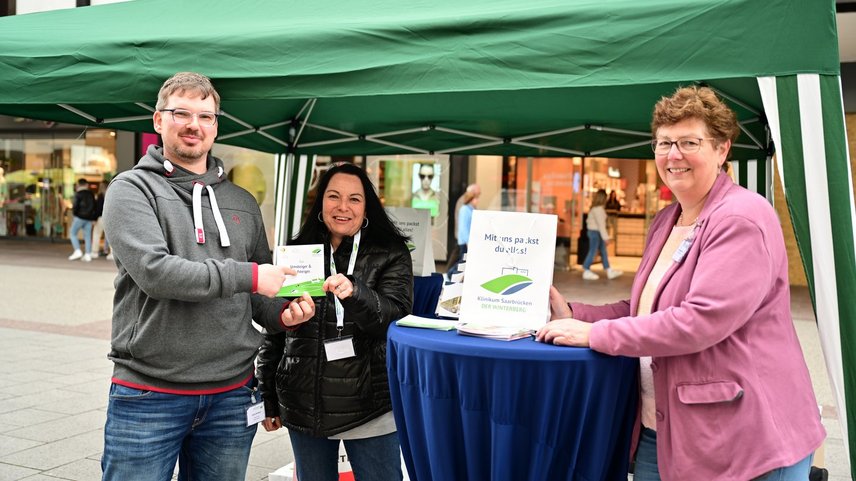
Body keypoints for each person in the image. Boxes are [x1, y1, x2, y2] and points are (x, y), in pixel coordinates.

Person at [536, 86, 825, 481]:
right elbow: (648, 309)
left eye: (689, 142)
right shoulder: (668, 220)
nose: (673, 155)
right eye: (664, 142)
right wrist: (575, 313)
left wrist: (595, 333)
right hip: (668, 431)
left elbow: (699, 320)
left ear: (722, 150)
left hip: (743, 439)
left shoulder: (740, 217)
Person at [100, 72, 316, 481]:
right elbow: (156, 273)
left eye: (205, 115)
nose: (193, 124)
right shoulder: (131, 190)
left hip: (232, 396)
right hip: (150, 392)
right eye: (180, 113)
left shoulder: (241, 202)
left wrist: (283, 314)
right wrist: (252, 277)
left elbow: (258, 296)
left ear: (216, 126)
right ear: (158, 121)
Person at [256, 162, 413, 481]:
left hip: (370, 405)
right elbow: (275, 330)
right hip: (304, 404)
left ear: (367, 206)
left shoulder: (390, 252)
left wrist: (356, 293)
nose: (343, 207)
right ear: (320, 203)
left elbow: (394, 319)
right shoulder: (299, 251)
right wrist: (267, 396)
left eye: (354, 199)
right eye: (333, 196)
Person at [581, 189, 623, 280]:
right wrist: (606, 238)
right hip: (595, 233)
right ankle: (586, 269)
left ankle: (608, 270)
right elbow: (601, 225)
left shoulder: (595, 209)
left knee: (603, 251)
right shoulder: (598, 210)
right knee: (593, 251)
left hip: (595, 232)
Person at [446, 183, 480, 276]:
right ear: (472, 198)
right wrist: (469, 243)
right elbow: (464, 228)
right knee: (461, 263)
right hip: (465, 243)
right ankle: (449, 275)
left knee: (462, 263)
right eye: (477, 198)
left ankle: (450, 275)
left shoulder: (470, 209)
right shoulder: (465, 209)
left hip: (466, 242)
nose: (478, 200)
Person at [68, 178, 97, 262]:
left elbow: (75, 206)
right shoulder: (91, 194)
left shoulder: (78, 194)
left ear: (78, 184)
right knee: (87, 236)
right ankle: (88, 254)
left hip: (79, 217)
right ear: (86, 185)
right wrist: (93, 218)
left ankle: (77, 250)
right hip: (89, 218)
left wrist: (75, 214)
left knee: (73, 233)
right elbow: (94, 206)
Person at [90, 181, 112, 260]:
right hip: (109, 218)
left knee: (96, 234)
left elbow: (98, 209)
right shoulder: (111, 194)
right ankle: (112, 253)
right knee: (110, 236)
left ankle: (94, 252)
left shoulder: (100, 196)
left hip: (100, 218)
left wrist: (94, 218)